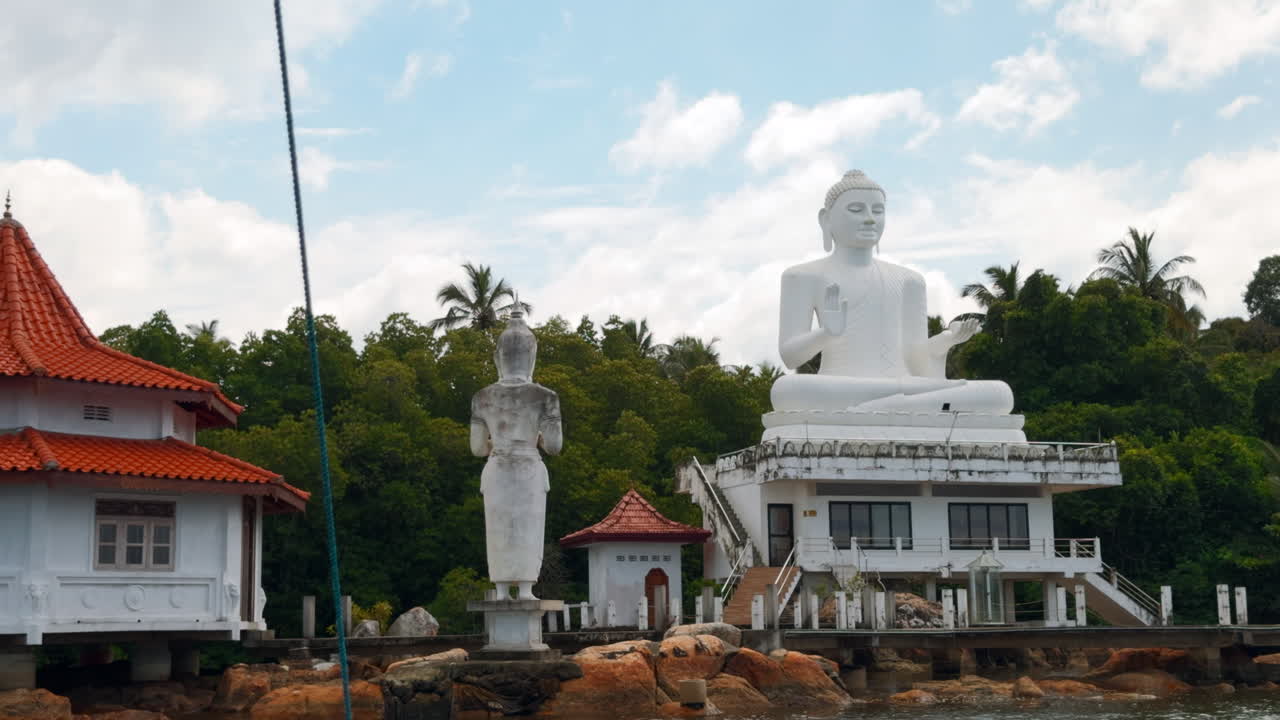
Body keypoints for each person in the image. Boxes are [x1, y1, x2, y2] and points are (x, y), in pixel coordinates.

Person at [770, 170, 1014, 415]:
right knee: (787, 391)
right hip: (840, 386)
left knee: (1000, 394)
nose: (869, 219)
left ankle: (884, 407)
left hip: (902, 385)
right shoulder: (803, 276)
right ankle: (901, 407)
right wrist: (826, 333)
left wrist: (947, 341)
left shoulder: (908, 280)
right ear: (826, 220)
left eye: (877, 211)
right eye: (856, 210)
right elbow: (791, 356)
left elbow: (917, 360)